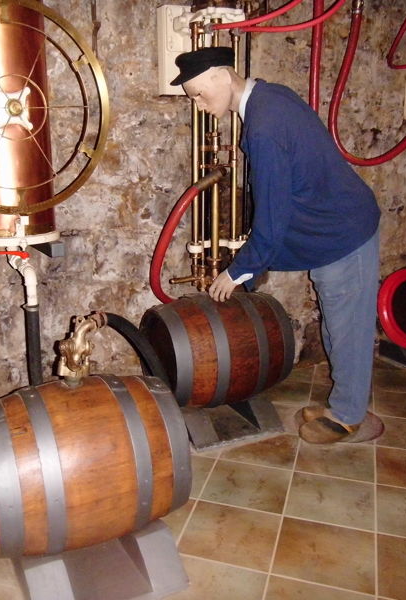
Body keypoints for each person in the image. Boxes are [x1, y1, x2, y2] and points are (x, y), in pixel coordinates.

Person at [170, 47, 381, 444]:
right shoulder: (269, 96)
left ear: (221, 75)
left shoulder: (263, 127)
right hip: (331, 229)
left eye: (198, 93)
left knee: (348, 331)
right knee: (337, 325)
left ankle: (350, 416)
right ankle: (345, 404)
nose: (199, 105)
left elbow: (271, 217)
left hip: (341, 232)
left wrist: (237, 272)